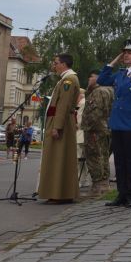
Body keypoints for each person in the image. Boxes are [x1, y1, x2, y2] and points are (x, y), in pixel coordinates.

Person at [97, 39, 131, 208]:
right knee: (119, 161)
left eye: (129, 53)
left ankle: (130, 196)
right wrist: (113, 61)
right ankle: (121, 195)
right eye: (124, 53)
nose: (126, 55)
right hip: (117, 122)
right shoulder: (120, 74)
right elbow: (102, 79)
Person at [37, 53, 80, 203]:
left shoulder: (69, 80)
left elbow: (63, 105)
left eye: (56, 63)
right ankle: (58, 192)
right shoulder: (66, 79)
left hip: (61, 123)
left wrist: (57, 126)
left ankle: (60, 193)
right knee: (57, 158)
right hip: (59, 121)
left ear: (63, 64)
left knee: (59, 158)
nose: (54, 66)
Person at [82, 70, 114, 197]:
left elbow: (94, 112)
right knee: (103, 155)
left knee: (94, 156)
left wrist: (87, 127)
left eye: (91, 77)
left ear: (97, 78)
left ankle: (98, 187)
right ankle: (104, 185)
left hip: (95, 129)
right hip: (105, 128)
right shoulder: (110, 90)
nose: (89, 79)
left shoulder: (98, 92)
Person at [76, 88, 92, 189]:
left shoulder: (82, 103)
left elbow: (79, 119)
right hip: (83, 135)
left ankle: (79, 180)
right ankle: (84, 180)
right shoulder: (84, 102)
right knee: (84, 160)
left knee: (78, 159)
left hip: (80, 134)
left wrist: (74, 124)